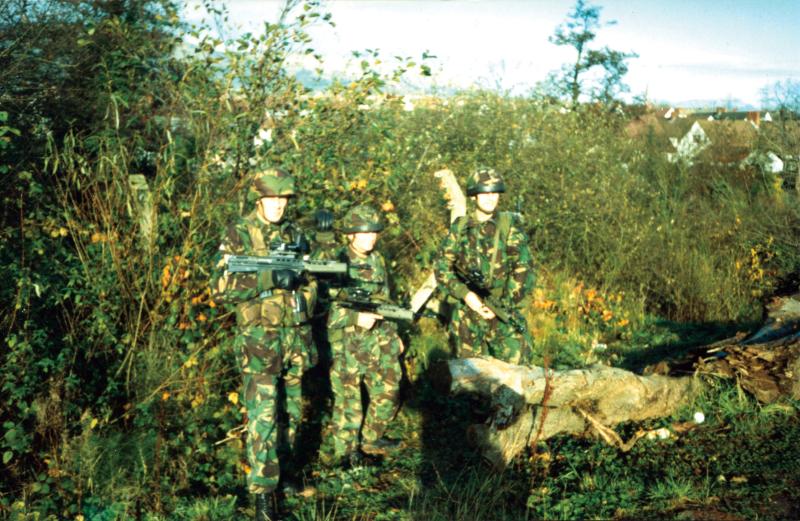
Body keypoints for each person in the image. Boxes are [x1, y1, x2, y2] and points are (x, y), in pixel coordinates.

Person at [211, 166, 317, 520]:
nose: (278, 205)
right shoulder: (239, 232)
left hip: (294, 337)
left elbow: (313, 280)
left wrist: (304, 291)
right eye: (272, 197)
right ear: (259, 198)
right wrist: (270, 276)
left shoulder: (294, 232)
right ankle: (263, 494)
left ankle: (285, 474)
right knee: (263, 417)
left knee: (293, 411)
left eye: (284, 198)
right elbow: (221, 287)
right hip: (260, 341)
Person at [325, 204, 403, 465]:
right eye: (365, 233)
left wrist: (395, 335)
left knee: (390, 387)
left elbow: (385, 300)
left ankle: (372, 437)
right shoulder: (337, 264)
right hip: (348, 343)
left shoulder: (377, 260)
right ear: (350, 235)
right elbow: (324, 308)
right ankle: (347, 454)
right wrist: (356, 317)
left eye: (374, 233)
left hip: (380, 339)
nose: (371, 238)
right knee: (349, 401)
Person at [434, 167, 535, 365]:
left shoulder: (509, 224)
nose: (490, 198)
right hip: (468, 313)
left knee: (515, 374)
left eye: (494, 192)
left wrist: (500, 305)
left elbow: (523, 269)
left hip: (503, 308)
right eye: (485, 192)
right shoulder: (461, 227)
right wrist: (466, 295)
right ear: (474, 196)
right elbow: (442, 267)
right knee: (469, 377)